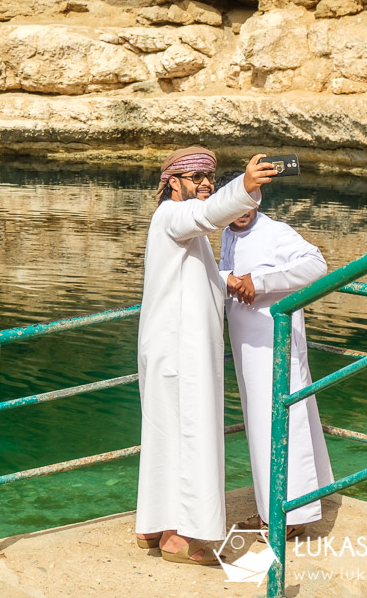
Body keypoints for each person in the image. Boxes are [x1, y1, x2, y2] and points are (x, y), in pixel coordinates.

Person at [135, 147, 277, 566]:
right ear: (172, 182)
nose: (205, 184)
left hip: (168, 346)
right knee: (190, 435)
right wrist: (245, 188)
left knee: (165, 434)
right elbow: (205, 215)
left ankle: (153, 525)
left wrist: (224, 278)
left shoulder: (172, 224)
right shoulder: (174, 216)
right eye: (196, 177)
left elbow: (189, 269)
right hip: (181, 351)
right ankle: (180, 537)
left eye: (210, 177)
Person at [219, 188, 333, 538]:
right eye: (237, 200)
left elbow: (317, 264)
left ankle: (291, 516)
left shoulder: (275, 231)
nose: (245, 209)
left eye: (251, 200)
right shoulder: (226, 234)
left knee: (285, 420)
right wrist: (229, 281)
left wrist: (262, 282)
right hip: (247, 346)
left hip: (277, 342)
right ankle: (271, 510)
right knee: (259, 424)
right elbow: (226, 276)